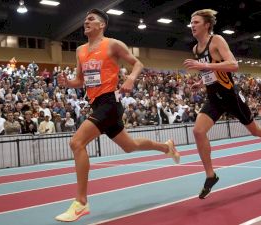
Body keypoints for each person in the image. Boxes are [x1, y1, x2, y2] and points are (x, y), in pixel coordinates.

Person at [55, 9, 180, 222]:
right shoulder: (80, 50)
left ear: (101, 25)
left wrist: (130, 78)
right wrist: (68, 83)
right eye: (85, 19)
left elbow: (138, 63)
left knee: (76, 143)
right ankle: (166, 147)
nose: (86, 21)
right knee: (130, 146)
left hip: (109, 103)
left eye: (91, 19)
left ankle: (81, 203)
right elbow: (80, 80)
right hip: (96, 106)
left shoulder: (112, 44)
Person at [183, 9, 261, 200]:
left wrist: (204, 67)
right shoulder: (196, 49)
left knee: (255, 130)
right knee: (198, 131)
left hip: (231, 97)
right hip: (214, 98)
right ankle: (210, 175)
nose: (192, 25)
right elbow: (211, 71)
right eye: (191, 22)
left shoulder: (217, 40)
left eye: (196, 22)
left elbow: (233, 65)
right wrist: (201, 81)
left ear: (206, 25)